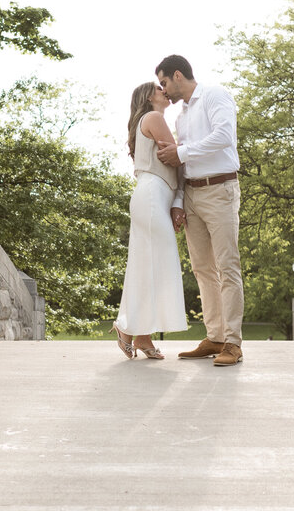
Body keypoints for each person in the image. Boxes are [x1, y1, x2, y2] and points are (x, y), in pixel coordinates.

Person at [154, 54, 244, 367]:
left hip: (220, 190)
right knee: (202, 269)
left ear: (178, 75)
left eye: (164, 82)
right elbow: (184, 163)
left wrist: (181, 151)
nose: (163, 90)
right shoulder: (181, 116)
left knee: (227, 267)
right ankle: (215, 336)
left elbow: (223, 137)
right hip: (191, 194)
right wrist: (178, 202)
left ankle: (233, 343)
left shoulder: (215, 95)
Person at [112, 82, 189, 360]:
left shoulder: (150, 120)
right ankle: (128, 327)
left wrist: (177, 200)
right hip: (153, 197)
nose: (164, 90)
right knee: (157, 264)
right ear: (148, 96)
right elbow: (179, 159)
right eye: (159, 87)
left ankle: (140, 333)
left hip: (155, 197)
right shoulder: (154, 118)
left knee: (148, 265)